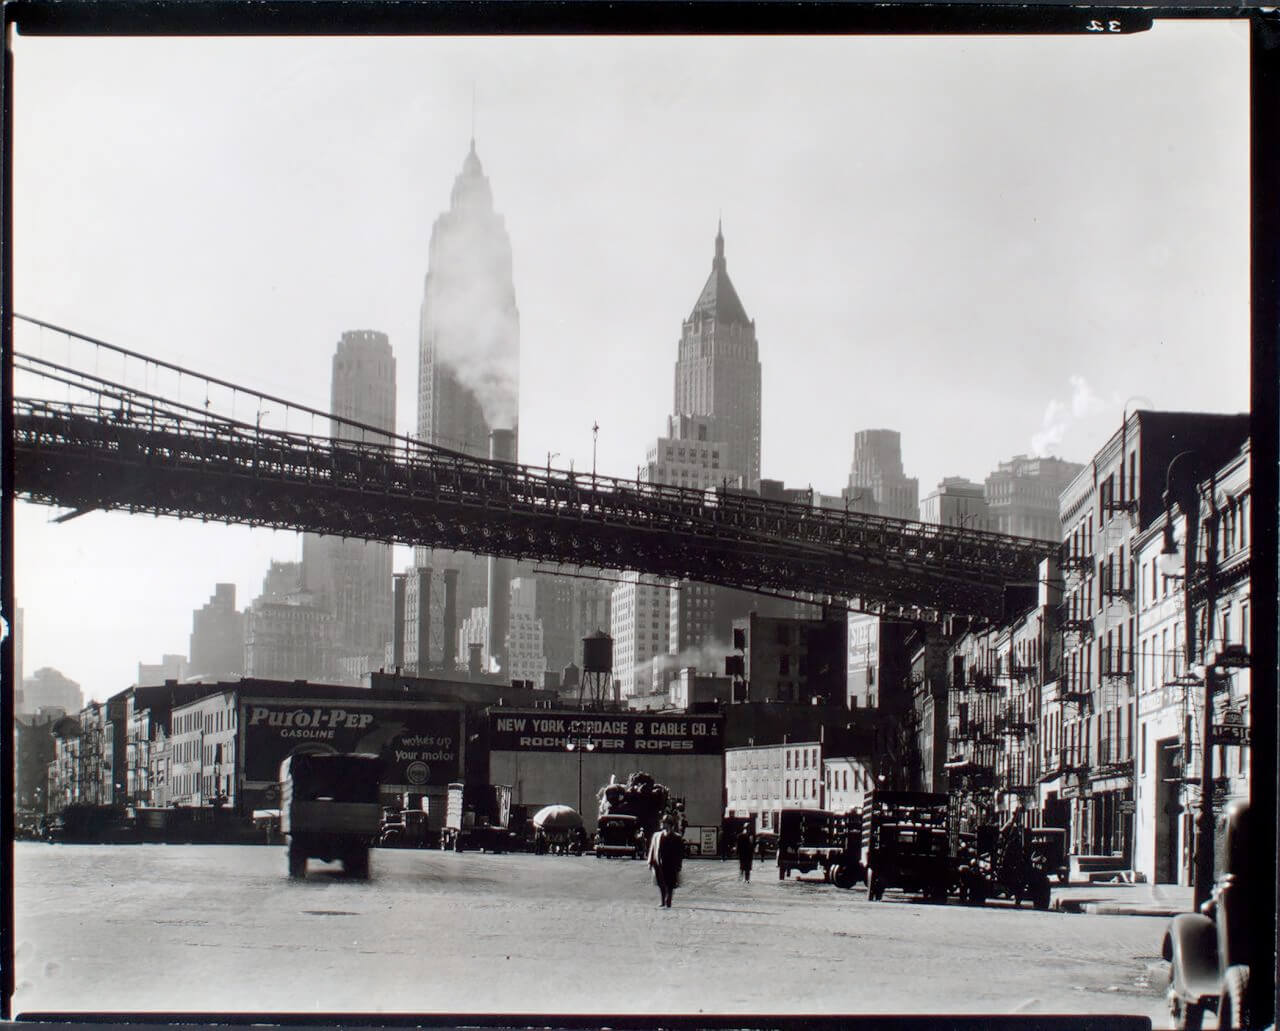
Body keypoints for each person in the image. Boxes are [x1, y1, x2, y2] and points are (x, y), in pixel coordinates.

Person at [647, 816, 684, 908]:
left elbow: (679, 853)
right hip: (659, 862)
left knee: (670, 883)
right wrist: (650, 861)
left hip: (671, 863)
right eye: (663, 822)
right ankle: (663, 900)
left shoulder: (677, 837)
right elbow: (652, 848)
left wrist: (679, 865)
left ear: (670, 825)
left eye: (665, 823)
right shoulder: (657, 835)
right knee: (660, 883)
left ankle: (668, 900)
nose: (663, 824)